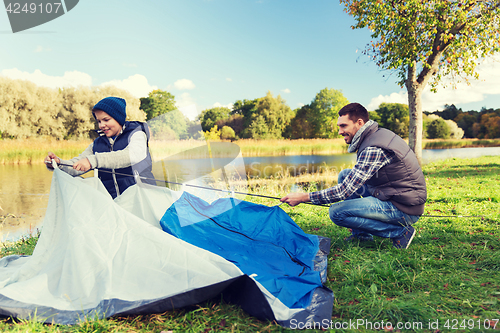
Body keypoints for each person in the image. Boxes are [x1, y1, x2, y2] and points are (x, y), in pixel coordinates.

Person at [280, 103, 427, 249]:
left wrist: (303, 197)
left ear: (359, 123)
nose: (339, 131)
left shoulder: (373, 147)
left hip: (404, 208)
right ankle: (362, 235)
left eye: (343, 126)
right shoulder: (375, 135)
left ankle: (400, 232)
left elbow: (343, 192)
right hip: (393, 194)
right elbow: (351, 182)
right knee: (345, 175)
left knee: (337, 212)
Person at [45, 96, 155, 199]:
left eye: (106, 120)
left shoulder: (136, 134)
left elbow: (132, 155)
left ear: (119, 118)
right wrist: (58, 164)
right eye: (99, 121)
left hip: (142, 200)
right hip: (114, 204)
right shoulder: (96, 144)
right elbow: (76, 165)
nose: (101, 125)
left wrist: (93, 161)